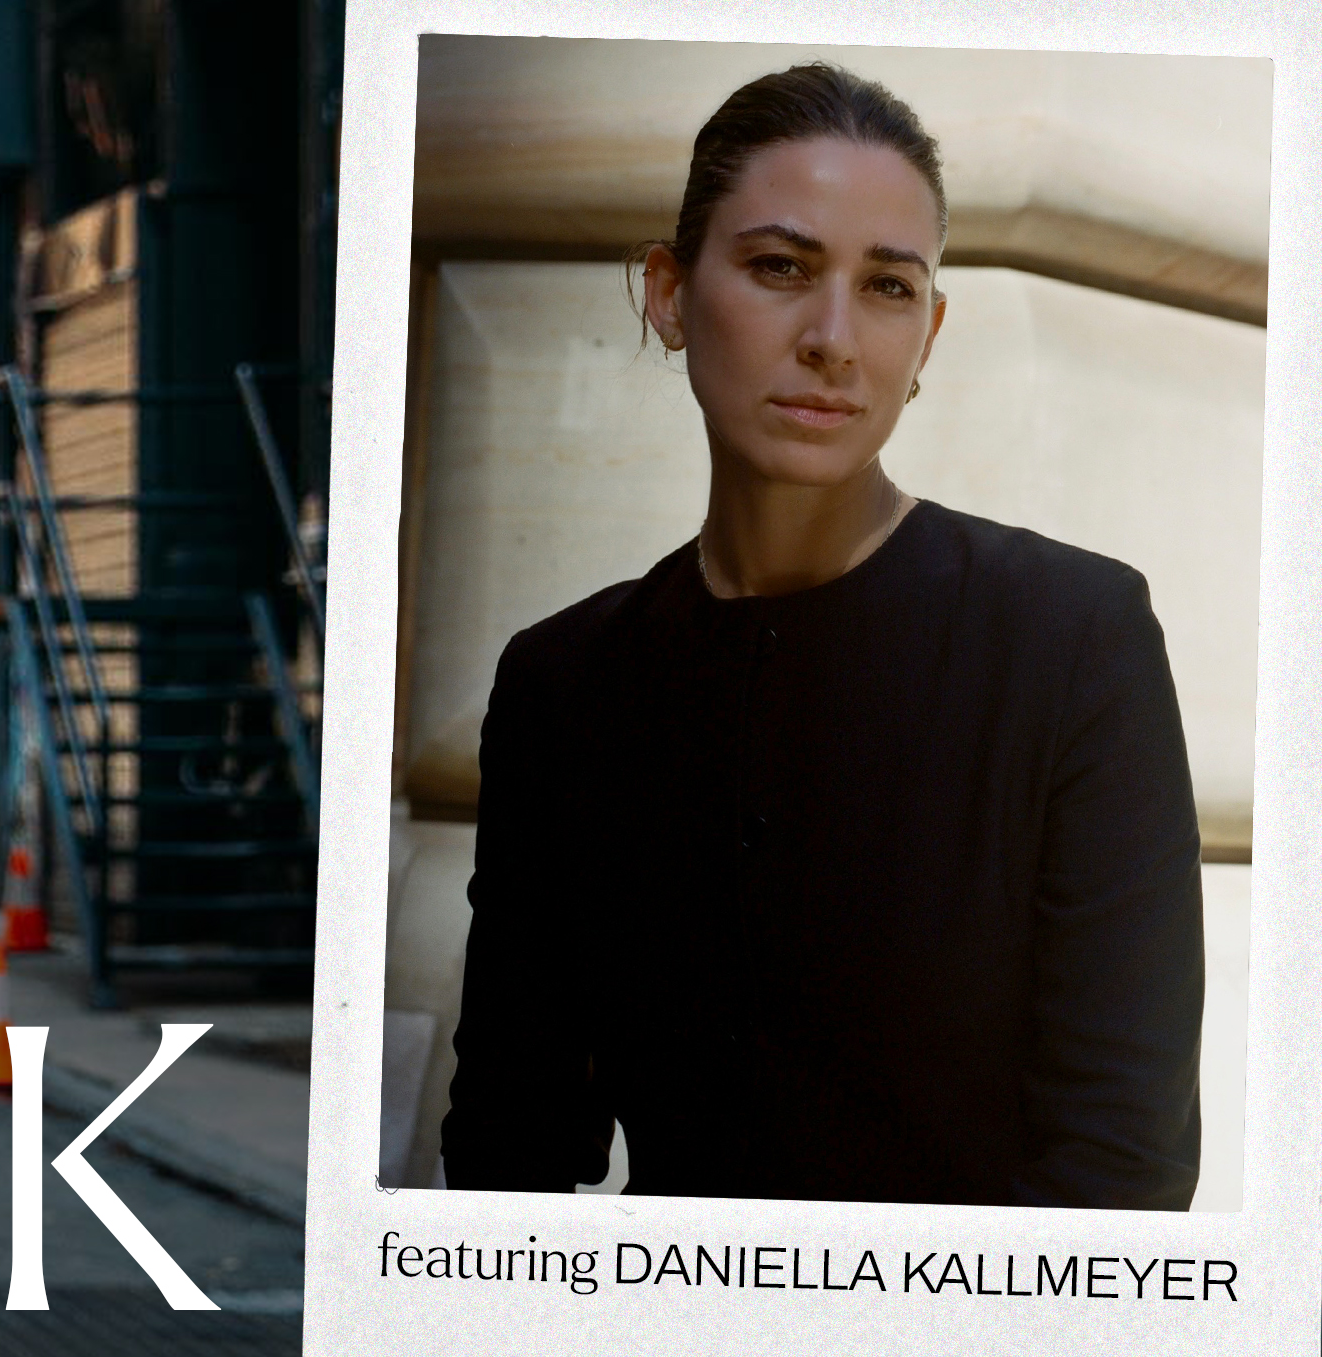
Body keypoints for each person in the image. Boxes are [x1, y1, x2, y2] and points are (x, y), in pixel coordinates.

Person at [435, 63, 1203, 1211]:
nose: (835, 338)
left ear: (929, 333)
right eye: (781, 268)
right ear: (670, 292)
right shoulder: (563, 683)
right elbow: (512, 1134)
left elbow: (1123, 1158)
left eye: (889, 287)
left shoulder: (1073, 639)